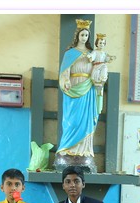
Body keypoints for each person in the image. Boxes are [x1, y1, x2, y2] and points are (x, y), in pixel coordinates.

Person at [57, 19, 98, 161]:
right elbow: (64, 70)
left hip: (88, 87)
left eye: (86, 35)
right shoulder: (70, 53)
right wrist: (66, 80)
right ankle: (67, 148)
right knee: (72, 120)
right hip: (73, 87)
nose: (84, 38)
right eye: (82, 35)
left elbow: (98, 69)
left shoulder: (92, 53)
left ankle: (85, 151)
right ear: (77, 36)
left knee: (87, 120)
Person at [89, 33, 115, 112]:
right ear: (97, 43)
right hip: (97, 67)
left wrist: (111, 58)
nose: (102, 45)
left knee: (105, 67)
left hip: (102, 68)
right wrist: (90, 57)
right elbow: (92, 56)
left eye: (103, 43)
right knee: (95, 90)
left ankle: (102, 81)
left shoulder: (104, 53)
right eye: (100, 43)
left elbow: (107, 59)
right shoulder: (95, 52)